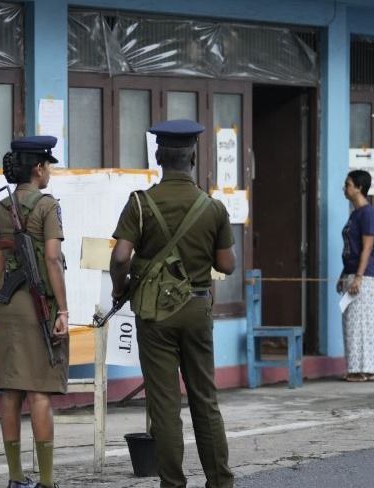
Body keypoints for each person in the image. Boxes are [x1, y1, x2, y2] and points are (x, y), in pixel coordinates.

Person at [110, 120, 235, 488]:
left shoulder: (140, 203)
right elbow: (226, 264)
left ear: (159, 157)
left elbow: (119, 257)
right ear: (192, 158)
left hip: (154, 314)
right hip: (197, 309)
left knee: (164, 404)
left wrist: (122, 288)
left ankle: (173, 483)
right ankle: (220, 481)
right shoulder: (212, 207)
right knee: (204, 398)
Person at [0, 136, 70, 488]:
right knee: (38, 392)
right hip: (39, 306)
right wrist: (62, 309)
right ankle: (47, 481)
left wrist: (4, 298)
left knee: (11, 393)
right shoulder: (47, 207)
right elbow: (52, 259)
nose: (49, 171)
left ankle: (15, 477)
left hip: (7, 305)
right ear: (38, 169)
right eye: (48, 165)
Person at [338, 170, 374, 382]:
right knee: (351, 322)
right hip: (352, 272)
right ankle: (356, 368)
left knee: (362, 323)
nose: (345, 188)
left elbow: (367, 247)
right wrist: (343, 274)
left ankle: (363, 369)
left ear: (359, 188)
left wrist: (358, 276)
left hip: (364, 275)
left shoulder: (368, 214)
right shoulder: (354, 214)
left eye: (348, 184)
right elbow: (350, 248)